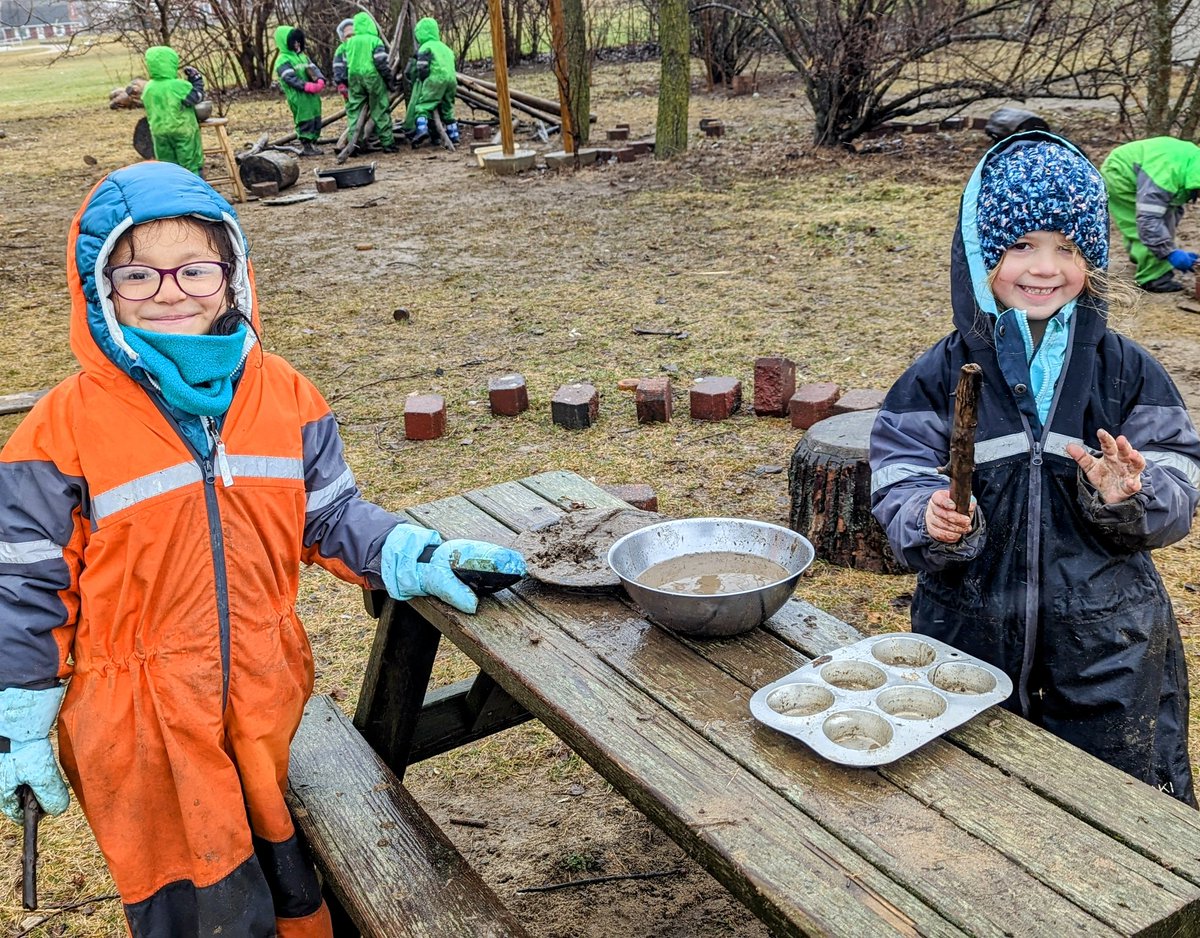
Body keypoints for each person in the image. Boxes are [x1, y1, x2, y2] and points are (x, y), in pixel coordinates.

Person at [0, 160, 525, 936]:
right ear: (99, 286)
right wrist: (18, 720)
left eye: (194, 268)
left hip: (265, 693)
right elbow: (24, 586)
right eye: (138, 273)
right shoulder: (59, 431)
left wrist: (410, 552)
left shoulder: (285, 395)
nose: (170, 291)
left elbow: (329, 513)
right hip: (142, 729)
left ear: (233, 273)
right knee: (202, 907)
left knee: (291, 885)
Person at [869, 132, 1200, 805]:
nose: (1044, 268)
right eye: (1021, 246)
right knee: (977, 802)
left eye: (1067, 248)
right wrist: (926, 514)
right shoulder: (938, 375)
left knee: (1121, 808)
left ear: (1091, 259)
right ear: (979, 256)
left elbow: (1180, 469)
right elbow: (898, 465)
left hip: (1111, 648)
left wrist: (1131, 496)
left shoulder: (1126, 370)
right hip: (968, 634)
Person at [1100, 137, 1200, 293]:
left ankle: (1142, 257)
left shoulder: (1192, 166)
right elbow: (1149, 221)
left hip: (1143, 168)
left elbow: (1173, 209)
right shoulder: (1165, 176)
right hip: (1121, 175)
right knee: (1145, 223)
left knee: (1163, 220)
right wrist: (1169, 252)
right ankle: (1153, 278)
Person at [141, 45, 205, 175]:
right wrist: (196, 79)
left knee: (168, 167)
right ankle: (193, 189)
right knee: (189, 164)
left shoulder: (148, 87)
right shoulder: (178, 85)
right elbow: (196, 97)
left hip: (158, 132)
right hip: (182, 130)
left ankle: (173, 191)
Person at [342, 10, 397, 153]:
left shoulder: (350, 42)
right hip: (372, 76)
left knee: (355, 110)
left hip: (354, 77)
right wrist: (389, 79)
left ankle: (354, 145)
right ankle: (388, 143)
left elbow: (345, 62)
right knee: (380, 108)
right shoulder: (375, 41)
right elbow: (380, 62)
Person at [402, 16, 459, 147]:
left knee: (423, 105)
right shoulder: (446, 48)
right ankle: (454, 135)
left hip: (435, 79)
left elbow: (422, 67)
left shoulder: (425, 47)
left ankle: (422, 129)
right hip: (451, 80)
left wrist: (422, 79)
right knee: (448, 108)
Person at [274, 25, 325, 157]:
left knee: (315, 117)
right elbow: (289, 78)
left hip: (312, 96)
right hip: (299, 96)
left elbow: (314, 69)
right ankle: (306, 144)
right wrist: (306, 86)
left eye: (298, 41)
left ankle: (313, 142)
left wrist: (320, 79)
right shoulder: (283, 60)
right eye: (294, 42)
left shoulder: (303, 56)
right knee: (304, 118)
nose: (297, 44)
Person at [332, 17, 354, 102]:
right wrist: (340, 83)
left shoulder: (360, 46)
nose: (351, 38)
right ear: (343, 37)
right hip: (348, 83)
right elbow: (337, 67)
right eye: (348, 36)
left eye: (353, 35)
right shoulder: (341, 50)